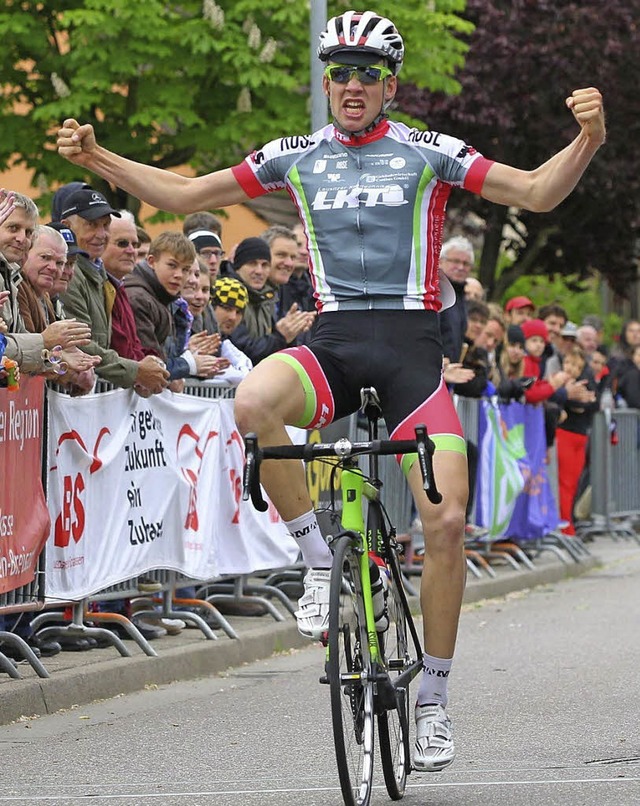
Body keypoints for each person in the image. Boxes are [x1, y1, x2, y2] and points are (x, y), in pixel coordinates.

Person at [57, 7, 606, 774]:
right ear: (327, 80)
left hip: (413, 350)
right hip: (337, 342)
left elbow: (538, 192)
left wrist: (586, 140)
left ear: (390, 84)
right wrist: (100, 156)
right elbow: (183, 197)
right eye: (339, 72)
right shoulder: (295, 155)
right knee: (252, 403)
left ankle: (436, 702)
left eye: (367, 74)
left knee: (444, 523)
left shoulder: (427, 152)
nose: (351, 85)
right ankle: (319, 558)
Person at [58, 186, 170, 395]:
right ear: (67, 226)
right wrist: (135, 371)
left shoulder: (100, 275)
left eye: (106, 225)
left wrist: (143, 370)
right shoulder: (69, 275)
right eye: (91, 225)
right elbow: (81, 345)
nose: (101, 234)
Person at [229, 236, 314, 364]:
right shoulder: (229, 294)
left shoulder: (266, 297)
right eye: (252, 263)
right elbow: (241, 350)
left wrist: (291, 333)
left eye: (265, 265)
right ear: (238, 266)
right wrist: (281, 335)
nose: (259, 271)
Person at [555, 345, 598, 534]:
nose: (571, 368)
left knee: (573, 484)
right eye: (568, 363)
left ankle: (568, 520)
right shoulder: (560, 382)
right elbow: (566, 401)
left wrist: (582, 402)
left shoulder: (583, 383)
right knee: (564, 483)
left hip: (580, 436)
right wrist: (579, 401)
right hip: (564, 434)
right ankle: (566, 526)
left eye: (576, 365)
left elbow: (591, 404)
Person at [438, 235, 475, 364]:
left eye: (466, 263)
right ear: (440, 261)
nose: (460, 267)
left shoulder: (461, 297)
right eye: (455, 261)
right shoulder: (434, 292)